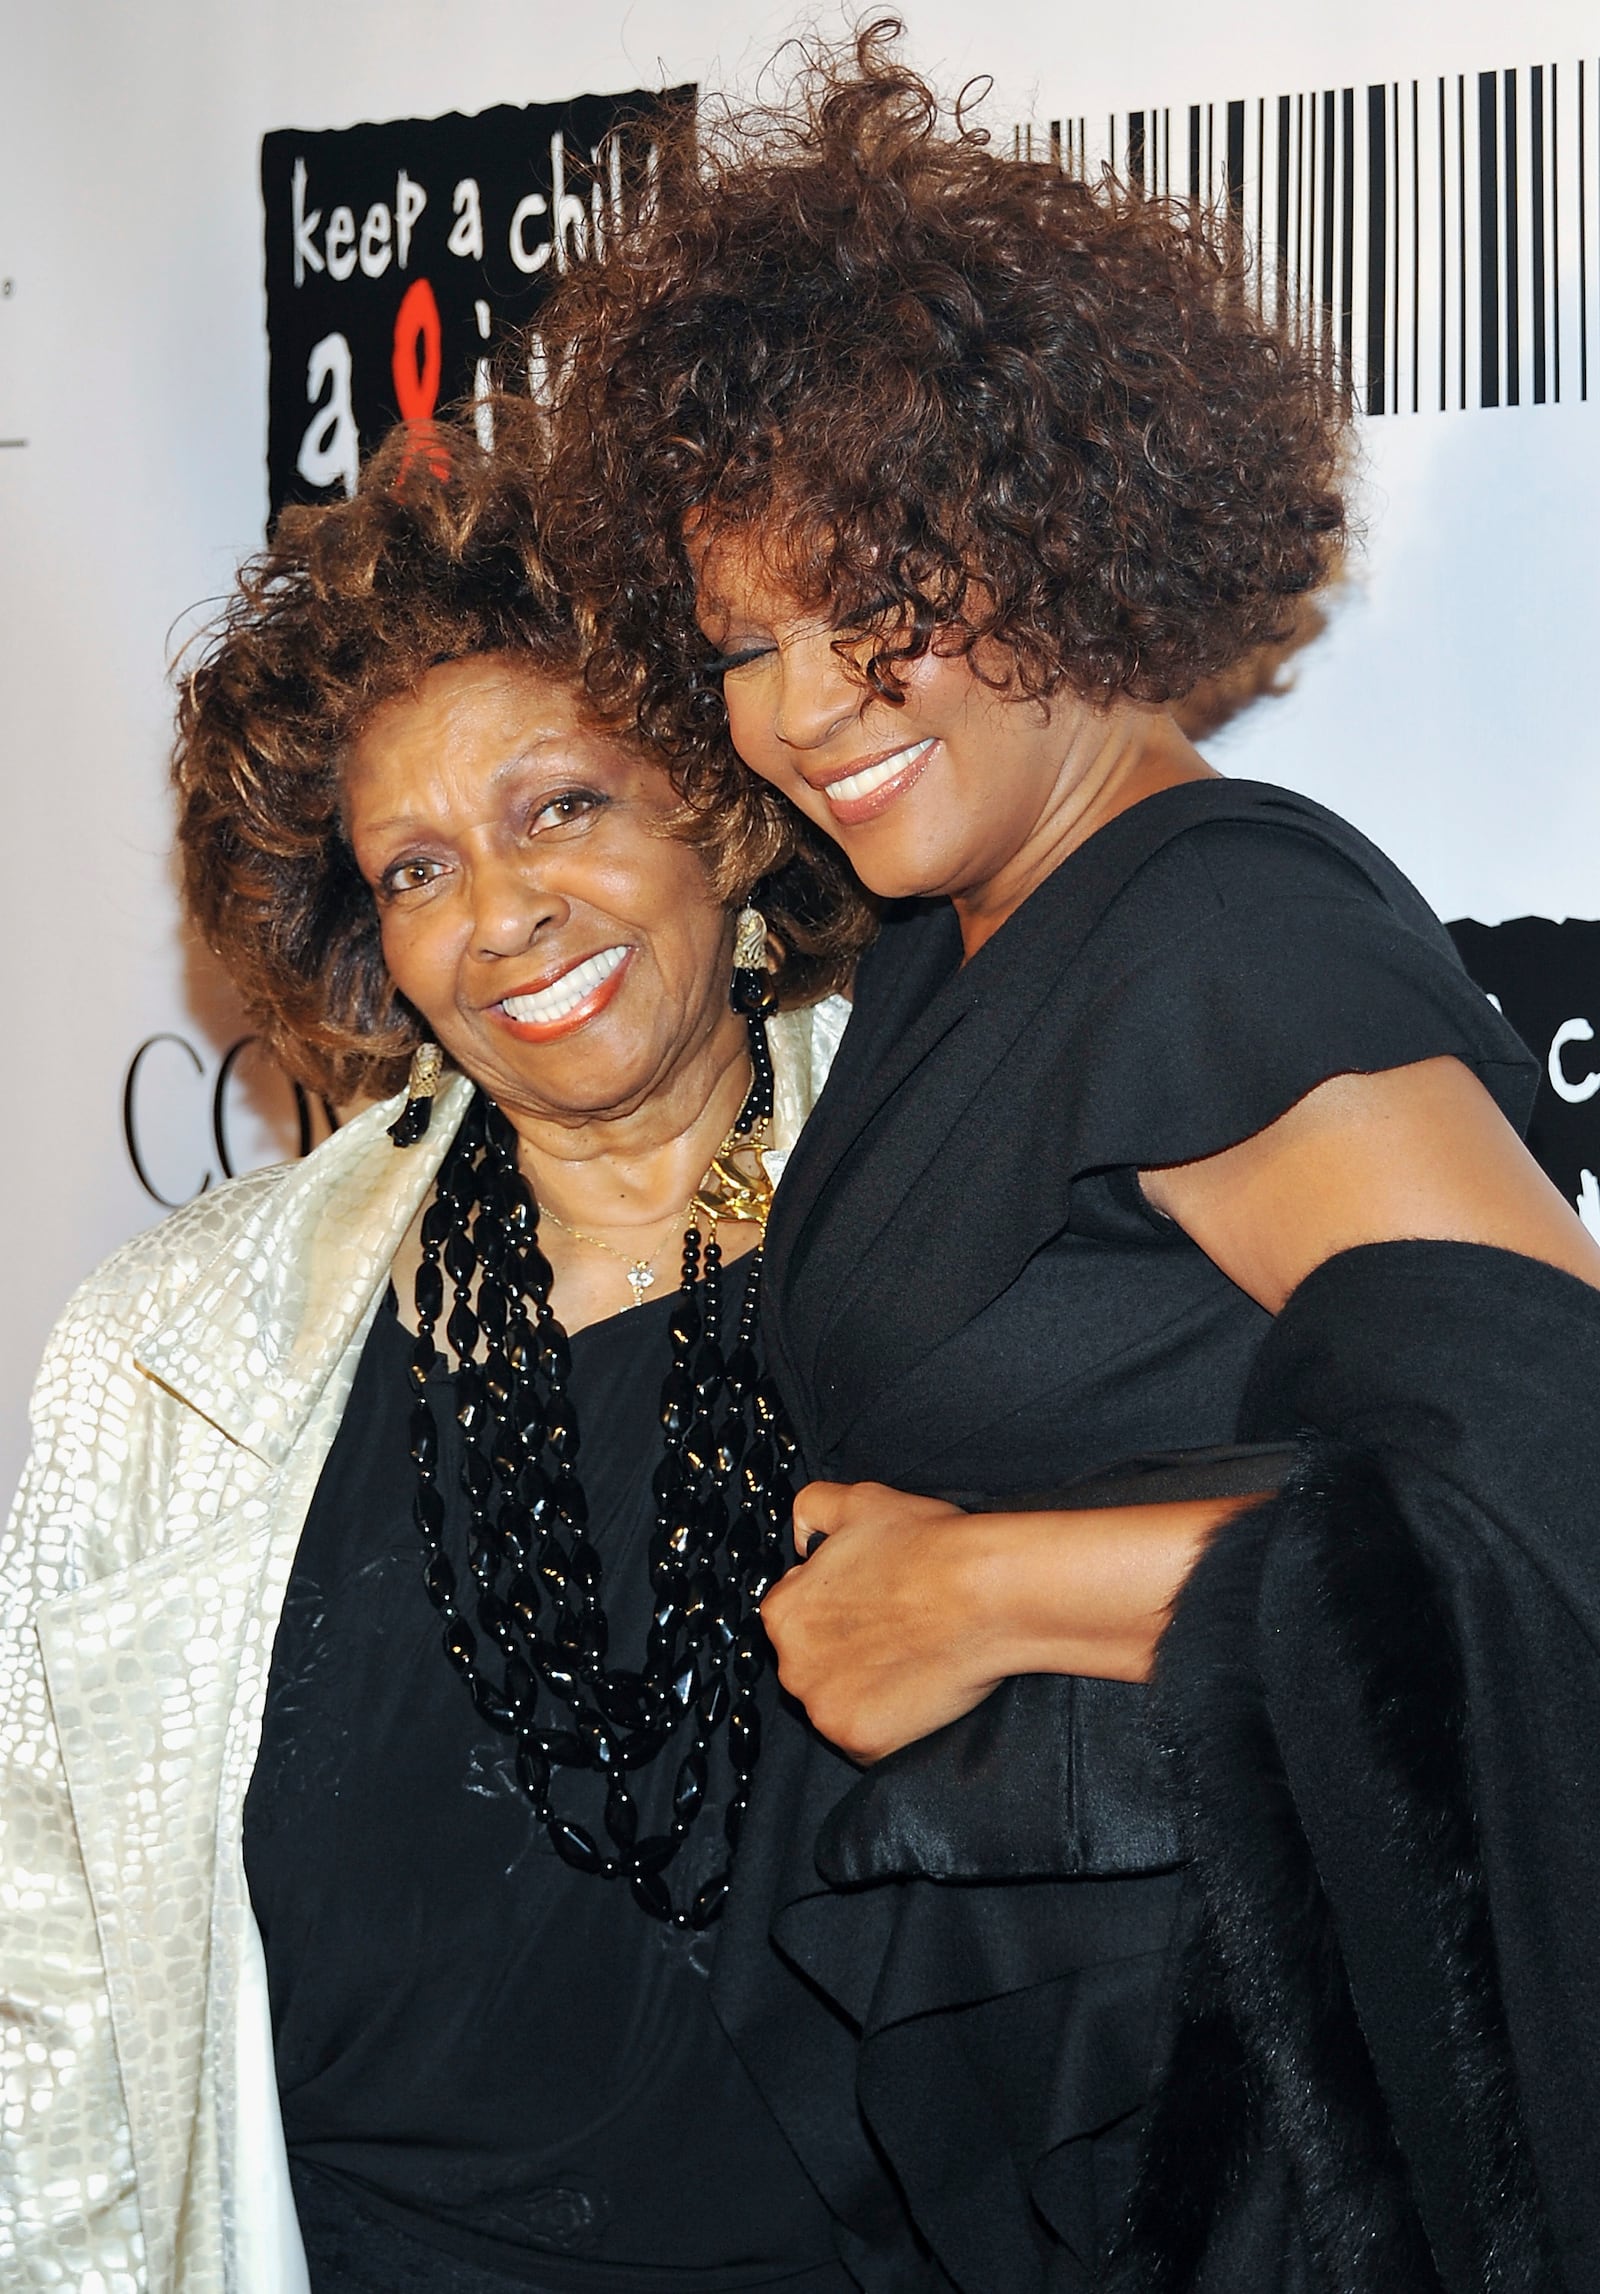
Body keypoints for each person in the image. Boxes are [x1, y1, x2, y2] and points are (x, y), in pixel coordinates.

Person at [537, 25, 1600, 2291]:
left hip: (1277, 2121)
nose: (808, 703)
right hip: (1085, 2102)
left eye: (880, 598)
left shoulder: (1211, 928)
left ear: (1060, 528)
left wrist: (980, 1589)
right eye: (745, 641)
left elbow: (1562, 1492)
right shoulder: (953, 934)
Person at [0, 415, 870, 2294]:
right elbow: (50, 1993)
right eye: (414, 868)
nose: (502, 915)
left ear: (720, 807)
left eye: (562, 805)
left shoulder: (948, 1212)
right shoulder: (177, 1360)